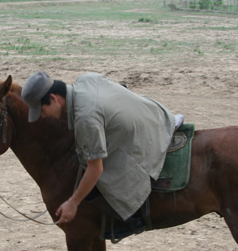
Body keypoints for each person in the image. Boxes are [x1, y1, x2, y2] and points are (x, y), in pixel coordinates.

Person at [22, 71, 176, 240]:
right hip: (152, 112)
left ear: (54, 98)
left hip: (148, 135)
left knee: (102, 176)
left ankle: (131, 219)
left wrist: (73, 202)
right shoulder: (85, 80)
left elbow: (95, 169)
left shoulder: (85, 118)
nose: (43, 116)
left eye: (42, 110)